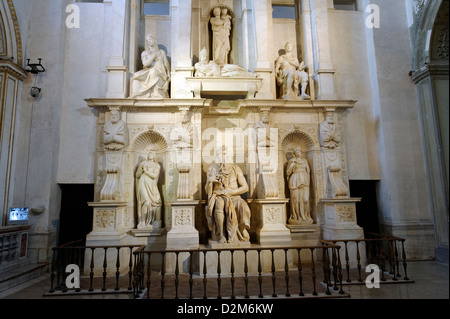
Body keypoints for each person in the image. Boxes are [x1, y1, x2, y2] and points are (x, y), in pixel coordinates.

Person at [205, 147, 251, 243]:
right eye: (221, 154)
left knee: (244, 206)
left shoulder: (236, 168)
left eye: (226, 154)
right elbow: (207, 191)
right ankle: (221, 235)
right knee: (219, 204)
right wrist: (210, 182)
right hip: (219, 195)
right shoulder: (212, 169)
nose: (224, 156)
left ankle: (241, 229)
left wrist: (231, 192)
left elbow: (245, 187)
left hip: (234, 196)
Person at [286, 147, 313, 224]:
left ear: (301, 152)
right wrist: (291, 166)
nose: (298, 153)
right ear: (294, 154)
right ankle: (296, 217)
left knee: (305, 200)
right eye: (296, 151)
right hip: (294, 180)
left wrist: (306, 182)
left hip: (304, 181)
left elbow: (308, 172)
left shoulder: (305, 161)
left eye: (299, 151)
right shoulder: (292, 161)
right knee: (295, 200)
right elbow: (287, 173)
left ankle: (305, 216)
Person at [136, 151, 162, 228]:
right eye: (149, 153)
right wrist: (141, 168)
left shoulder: (156, 165)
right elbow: (137, 175)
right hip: (143, 182)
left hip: (152, 185)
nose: (150, 154)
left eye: (152, 154)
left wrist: (146, 171)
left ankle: (149, 222)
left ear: (154, 156)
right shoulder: (143, 163)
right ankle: (142, 222)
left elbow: (154, 175)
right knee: (146, 202)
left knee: (155, 202)